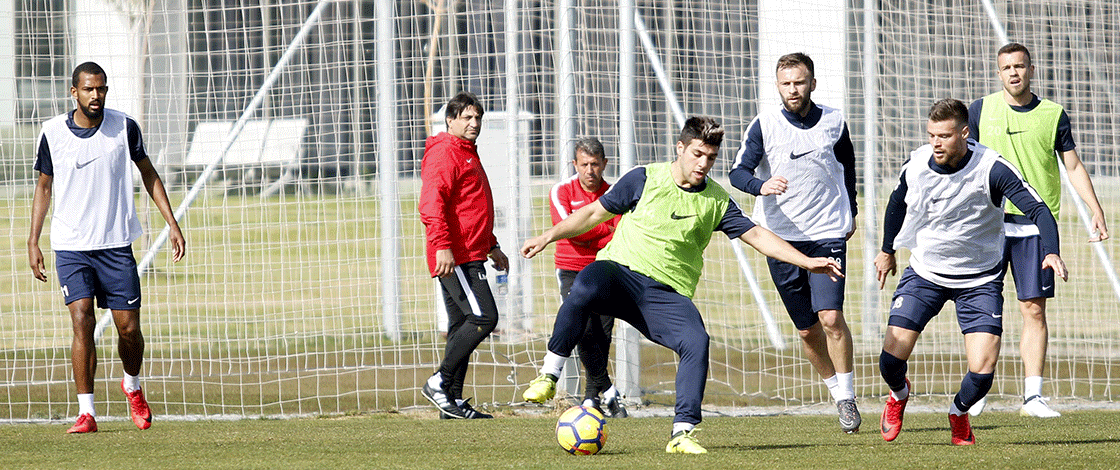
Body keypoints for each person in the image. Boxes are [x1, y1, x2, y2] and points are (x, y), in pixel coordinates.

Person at [520, 116, 842, 454]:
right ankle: (549, 375)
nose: (703, 164)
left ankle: (682, 432)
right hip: (619, 274)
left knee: (696, 340)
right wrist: (547, 236)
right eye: (697, 154)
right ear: (680, 148)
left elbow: (757, 235)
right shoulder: (645, 178)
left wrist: (807, 262)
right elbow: (590, 215)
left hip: (664, 296)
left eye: (711, 158)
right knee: (584, 284)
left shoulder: (716, 200)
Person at [875, 99, 1067, 446]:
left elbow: (1038, 209)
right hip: (926, 273)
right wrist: (886, 251)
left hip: (979, 280)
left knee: (982, 372)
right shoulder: (917, 164)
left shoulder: (992, 168)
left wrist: (1051, 251)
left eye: (945, 136)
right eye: (932, 134)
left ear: (964, 133)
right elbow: (895, 204)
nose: (936, 143)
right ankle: (899, 396)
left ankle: (958, 412)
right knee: (890, 359)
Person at [27, 61, 186, 434]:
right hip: (71, 247)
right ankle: (87, 413)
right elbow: (44, 187)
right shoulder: (51, 132)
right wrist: (33, 241)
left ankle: (132, 386)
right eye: (88, 89)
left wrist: (172, 223)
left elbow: (148, 173)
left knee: (128, 329)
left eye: (101, 89)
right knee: (81, 318)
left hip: (116, 245)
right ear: (74, 92)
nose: (96, 96)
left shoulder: (124, 127)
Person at [967, 42, 1109, 418]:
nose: (1013, 72)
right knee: (984, 310)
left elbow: (1073, 167)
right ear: (998, 73)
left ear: (1031, 70)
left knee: (1033, 309)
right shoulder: (981, 110)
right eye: (1006, 68)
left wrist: (1096, 210)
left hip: (1034, 225)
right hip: (988, 227)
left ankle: (1033, 397)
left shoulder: (1053, 114)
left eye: (1019, 66)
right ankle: (977, 390)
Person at [728, 52, 861, 433]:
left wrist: (850, 211)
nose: (793, 89)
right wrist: (761, 186)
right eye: (786, 83)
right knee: (807, 330)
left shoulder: (834, 121)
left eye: (799, 82)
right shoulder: (764, 124)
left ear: (812, 84)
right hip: (781, 239)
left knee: (831, 317)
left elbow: (848, 167)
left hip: (827, 233)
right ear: (778, 86)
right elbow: (738, 173)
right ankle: (835, 392)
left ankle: (849, 397)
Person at [418, 91, 509, 419]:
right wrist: (442, 245)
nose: (474, 123)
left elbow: (470, 207)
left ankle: (452, 401)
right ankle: (439, 381)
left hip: (472, 251)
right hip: (455, 255)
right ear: (450, 120)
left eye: (478, 117)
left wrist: (492, 245)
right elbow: (432, 204)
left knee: (460, 323)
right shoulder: (445, 152)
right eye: (467, 118)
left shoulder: (466, 152)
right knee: (485, 318)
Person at [548, 137, 626, 417]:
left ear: (604, 163)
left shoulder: (615, 192)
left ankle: (592, 398)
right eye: (584, 164)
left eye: (595, 164)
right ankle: (609, 392)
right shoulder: (561, 191)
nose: (590, 170)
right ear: (575, 164)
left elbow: (621, 231)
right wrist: (598, 231)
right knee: (584, 329)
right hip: (571, 268)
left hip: (605, 267)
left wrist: (586, 230)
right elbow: (569, 230)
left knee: (603, 332)